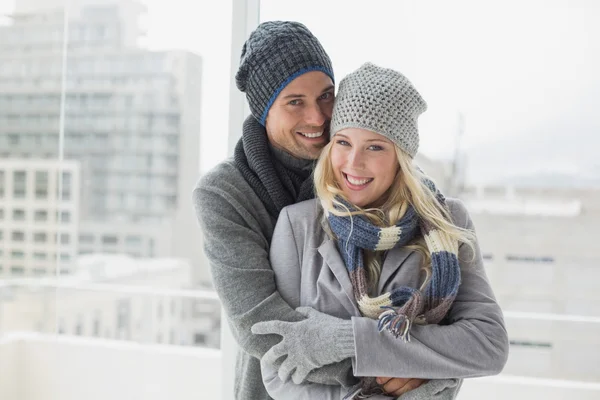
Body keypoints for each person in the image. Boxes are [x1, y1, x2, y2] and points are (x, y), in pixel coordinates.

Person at [251, 63, 510, 399]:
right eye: (343, 142)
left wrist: (350, 340)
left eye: (375, 147)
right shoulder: (297, 226)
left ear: (400, 156)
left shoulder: (449, 221)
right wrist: (426, 367)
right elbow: (278, 371)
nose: (353, 163)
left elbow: (487, 344)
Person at [194, 22, 423, 400]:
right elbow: (261, 325)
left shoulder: (366, 175)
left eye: (326, 96)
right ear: (264, 109)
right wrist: (394, 364)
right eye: (295, 101)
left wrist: (424, 368)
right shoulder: (225, 192)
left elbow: (429, 303)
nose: (318, 118)